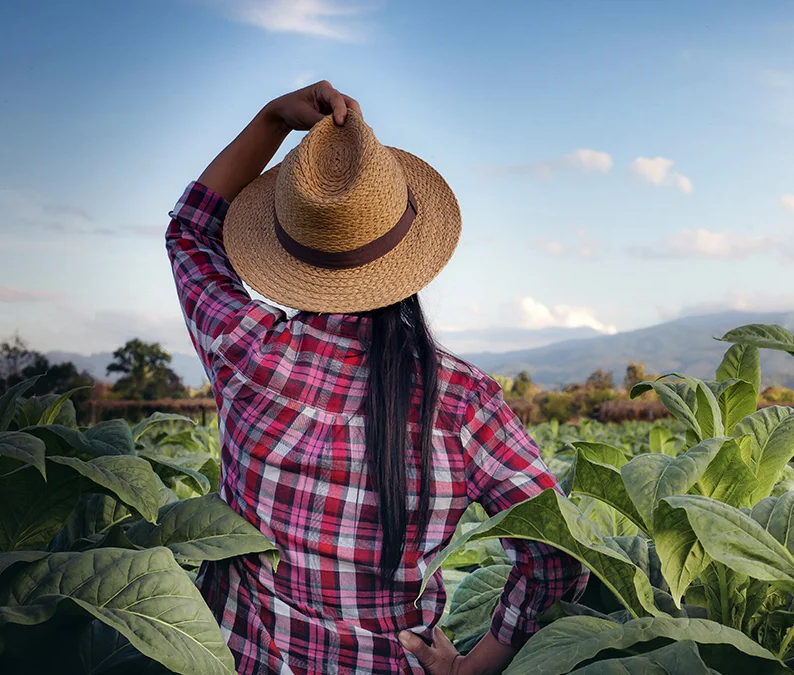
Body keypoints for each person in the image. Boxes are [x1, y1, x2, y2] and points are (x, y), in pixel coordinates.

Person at [166, 80, 588, 674]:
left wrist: (271, 119)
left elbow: (190, 230)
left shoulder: (249, 352)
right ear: (408, 254)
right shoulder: (463, 401)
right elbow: (559, 552)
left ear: (289, 254)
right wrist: (472, 667)